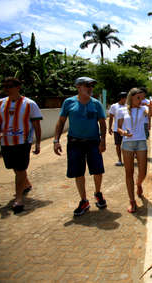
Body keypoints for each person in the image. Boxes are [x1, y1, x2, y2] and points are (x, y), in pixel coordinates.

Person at [53, 77, 107, 216]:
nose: (90, 88)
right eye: (86, 85)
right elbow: (60, 122)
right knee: (78, 172)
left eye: (91, 86)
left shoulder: (96, 104)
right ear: (78, 87)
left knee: (97, 170)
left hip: (93, 142)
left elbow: (102, 123)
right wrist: (56, 140)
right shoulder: (69, 102)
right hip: (75, 143)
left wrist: (103, 140)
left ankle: (98, 193)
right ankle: (84, 200)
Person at [0, 77, 42, 214]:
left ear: (18, 87)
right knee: (14, 167)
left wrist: (37, 143)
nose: (6, 89)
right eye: (4, 86)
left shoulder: (29, 104)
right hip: (5, 142)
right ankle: (25, 183)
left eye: (9, 86)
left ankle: (18, 198)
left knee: (20, 169)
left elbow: (36, 125)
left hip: (22, 142)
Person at [117, 87, 152, 213]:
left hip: (141, 142)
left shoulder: (143, 109)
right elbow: (119, 128)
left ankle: (139, 184)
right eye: (138, 98)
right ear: (131, 97)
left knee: (143, 172)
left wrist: (151, 107)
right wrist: (124, 133)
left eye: (142, 98)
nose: (141, 100)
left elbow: (149, 114)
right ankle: (132, 201)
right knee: (129, 172)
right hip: (127, 144)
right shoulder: (122, 110)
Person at [108, 91, 127, 166]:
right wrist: (109, 128)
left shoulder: (128, 106)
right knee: (118, 145)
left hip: (127, 129)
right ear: (122, 98)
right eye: (126, 98)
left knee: (127, 145)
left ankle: (127, 159)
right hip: (117, 129)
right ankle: (120, 160)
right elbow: (111, 117)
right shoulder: (114, 106)